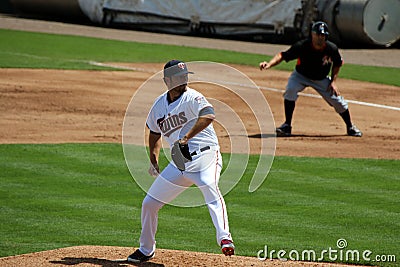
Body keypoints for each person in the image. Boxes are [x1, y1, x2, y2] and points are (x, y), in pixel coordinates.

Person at [127, 60, 234, 263]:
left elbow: (209, 115)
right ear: (167, 80)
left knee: (210, 186)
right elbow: (154, 132)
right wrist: (153, 158)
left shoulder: (193, 97)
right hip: (180, 163)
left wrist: (186, 138)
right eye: (178, 77)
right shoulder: (159, 105)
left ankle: (225, 238)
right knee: (149, 203)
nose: (183, 80)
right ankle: (146, 249)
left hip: (206, 156)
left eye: (185, 76)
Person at [259, 21, 362, 137]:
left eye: (323, 35)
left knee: (338, 101)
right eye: (318, 34)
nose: (320, 37)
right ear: (312, 34)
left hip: (320, 78)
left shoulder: (331, 48)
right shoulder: (302, 46)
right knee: (291, 90)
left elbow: (338, 63)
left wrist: (333, 81)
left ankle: (350, 127)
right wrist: (269, 64)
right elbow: (282, 55)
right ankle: (287, 126)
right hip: (300, 76)